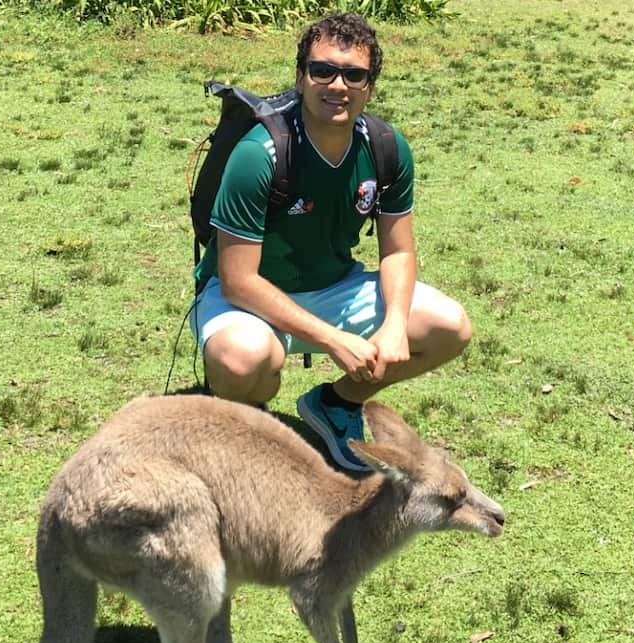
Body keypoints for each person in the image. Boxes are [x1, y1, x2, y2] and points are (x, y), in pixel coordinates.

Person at [189, 12, 472, 471]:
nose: (336, 84)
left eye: (353, 74)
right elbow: (238, 280)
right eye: (322, 70)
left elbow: (397, 251)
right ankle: (248, 421)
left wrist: (396, 322)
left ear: (370, 87)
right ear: (301, 79)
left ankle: (336, 403)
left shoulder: (386, 147)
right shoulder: (258, 155)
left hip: (334, 286)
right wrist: (333, 340)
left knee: (449, 327)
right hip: (245, 296)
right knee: (244, 359)